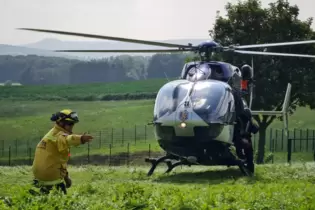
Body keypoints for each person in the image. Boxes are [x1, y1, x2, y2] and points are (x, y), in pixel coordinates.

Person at [30, 109, 93, 195]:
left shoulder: (51, 133)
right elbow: (68, 139)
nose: (72, 126)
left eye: (73, 123)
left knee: (47, 191)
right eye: (69, 123)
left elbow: (58, 161)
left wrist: (66, 178)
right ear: (60, 123)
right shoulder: (59, 135)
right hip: (50, 173)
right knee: (61, 195)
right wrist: (81, 138)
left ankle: (41, 194)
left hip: (38, 174)